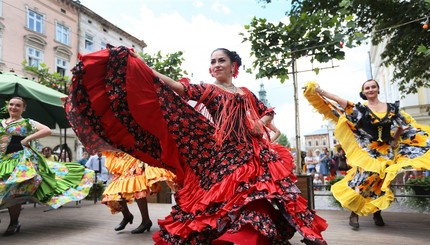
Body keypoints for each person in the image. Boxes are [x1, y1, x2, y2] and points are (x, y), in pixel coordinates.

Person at [65, 46, 327, 244]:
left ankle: (274, 233)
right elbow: (179, 88)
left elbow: (266, 110)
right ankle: (241, 237)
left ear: (233, 65)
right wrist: (145, 69)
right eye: (212, 62)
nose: (215, 65)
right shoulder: (210, 90)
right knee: (235, 198)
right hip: (226, 154)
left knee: (268, 193)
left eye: (221, 60)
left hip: (254, 152)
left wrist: (260, 122)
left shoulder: (246, 92)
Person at [303, 79, 430, 229]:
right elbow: (339, 101)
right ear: (363, 92)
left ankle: (377, 213)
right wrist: (320, 91)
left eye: (373, 87)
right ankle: (354, 213)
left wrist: (395, 139)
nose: (370, 89)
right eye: (367, 88)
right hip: (368, 150)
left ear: (378, 89)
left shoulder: (391, 108)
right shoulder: (360, 110)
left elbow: (402, 124)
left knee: (381, 181)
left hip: (386, 151)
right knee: (362, 179)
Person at [0, 97, 94, 236]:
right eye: (12, 104)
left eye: (18, 105)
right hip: (3, 161)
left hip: (19, 160)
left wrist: (27, 139)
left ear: (23, 109)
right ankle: (13, 221)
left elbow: (47, 130)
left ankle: (14, 222)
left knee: (13, 190)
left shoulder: (27, 122)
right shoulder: (1, 123)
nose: (14, 107)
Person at [102, 151, 177, 234]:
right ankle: (127, 216)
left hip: (133, 154)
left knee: (137, 187)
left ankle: (145, 221)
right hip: (119, 157)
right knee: (116, 190)